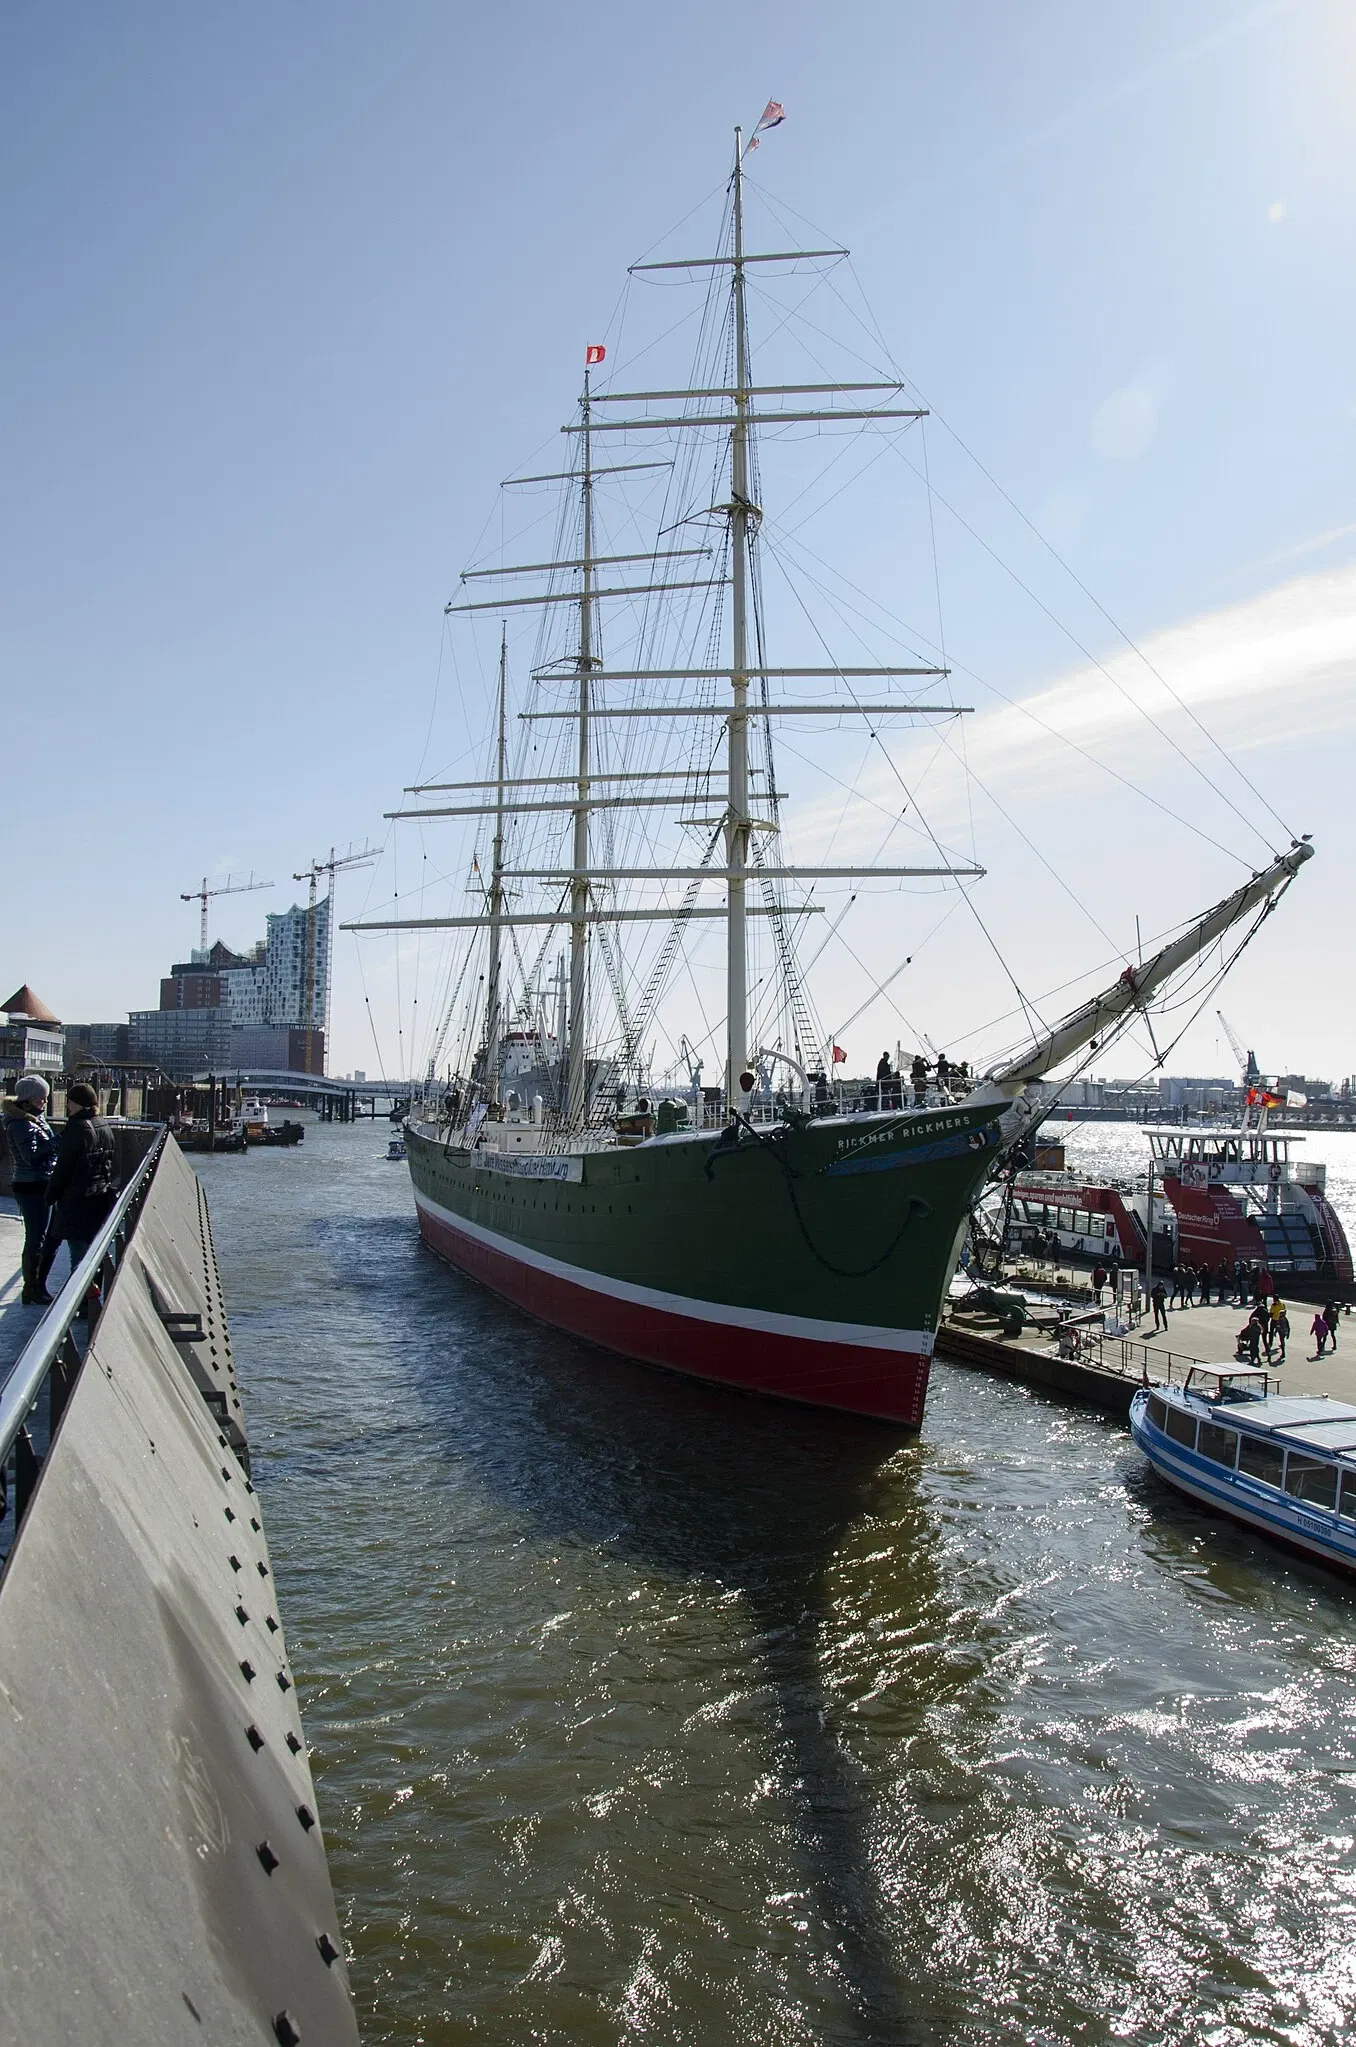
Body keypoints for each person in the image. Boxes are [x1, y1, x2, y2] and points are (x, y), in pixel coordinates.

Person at [46, 1081, 120, 1277]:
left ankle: (84, 1294)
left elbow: (64, 1168)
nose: (67, 1106)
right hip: (99, 1198)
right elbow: (111, 1164)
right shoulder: (104, 1125)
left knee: (78, 1256)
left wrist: (50, 1196)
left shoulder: (77, 1129)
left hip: (77, 1201)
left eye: (70, 1102)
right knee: (95, 1252)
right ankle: (94, 1290)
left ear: (79, 1104)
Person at [4, 1076, 60, 1304]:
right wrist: (59, 1141)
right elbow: (32, 1157)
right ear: (28, 1100)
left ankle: (36, 1286)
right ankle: (31, 1288)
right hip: (31, 1186)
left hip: (40, 1183)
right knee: (36, 1237)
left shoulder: (34, 1119)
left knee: (43, 1237)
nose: (45, 1102)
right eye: (41, 1099)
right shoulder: (21, 1124)